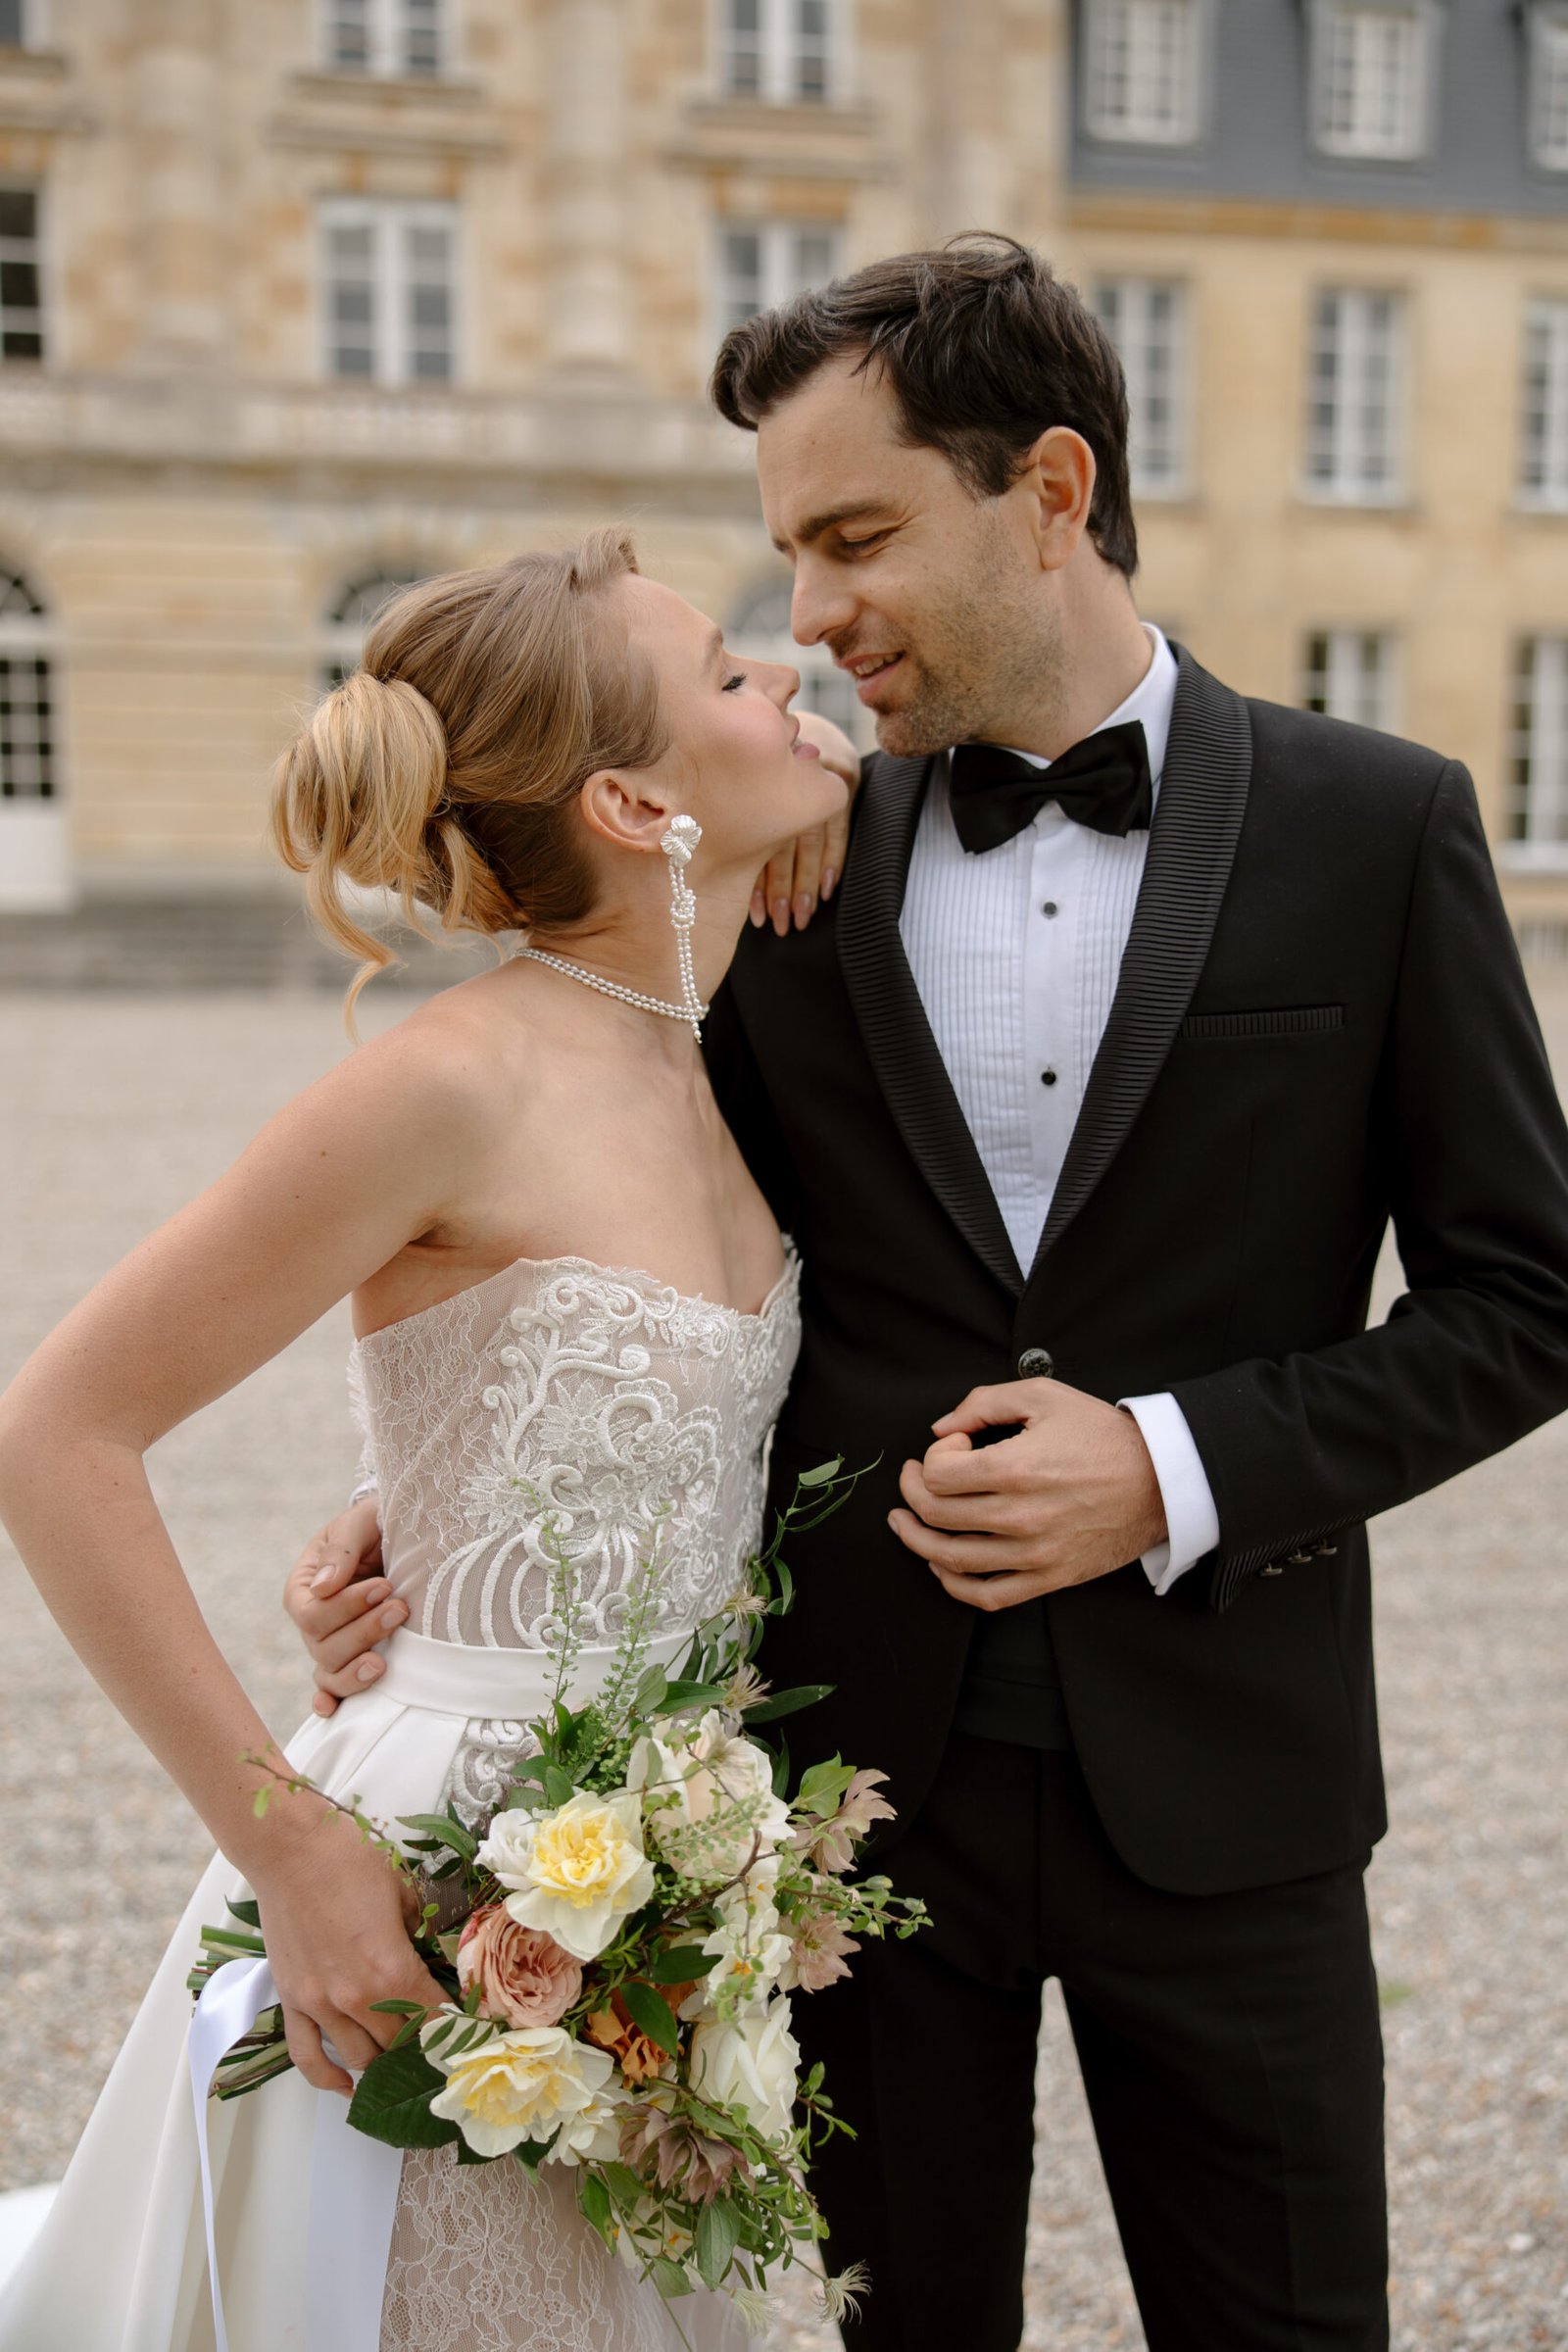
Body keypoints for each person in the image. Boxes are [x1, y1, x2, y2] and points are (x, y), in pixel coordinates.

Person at [290, 239, 1568, 2352]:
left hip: (1231, 1783)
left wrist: (1171, 1465)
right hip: (832, 1804)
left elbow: (1525, 1293)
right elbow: (661, 1247)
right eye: (786, 552)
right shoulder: (773, 853)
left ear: (1048, 489)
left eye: (857, 536)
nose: (810, 613)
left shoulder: (1377, 825)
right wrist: (452, 1496)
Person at [0, 529, 858, 2352]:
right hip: (430, 1888)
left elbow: (586, 1399)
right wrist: (297, 1852)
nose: (785, 673)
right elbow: (56, 1429)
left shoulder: (687, 1045)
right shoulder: (447, 1080)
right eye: (730, 669)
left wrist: (435, 1499)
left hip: (665, 1883)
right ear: (633, 802)